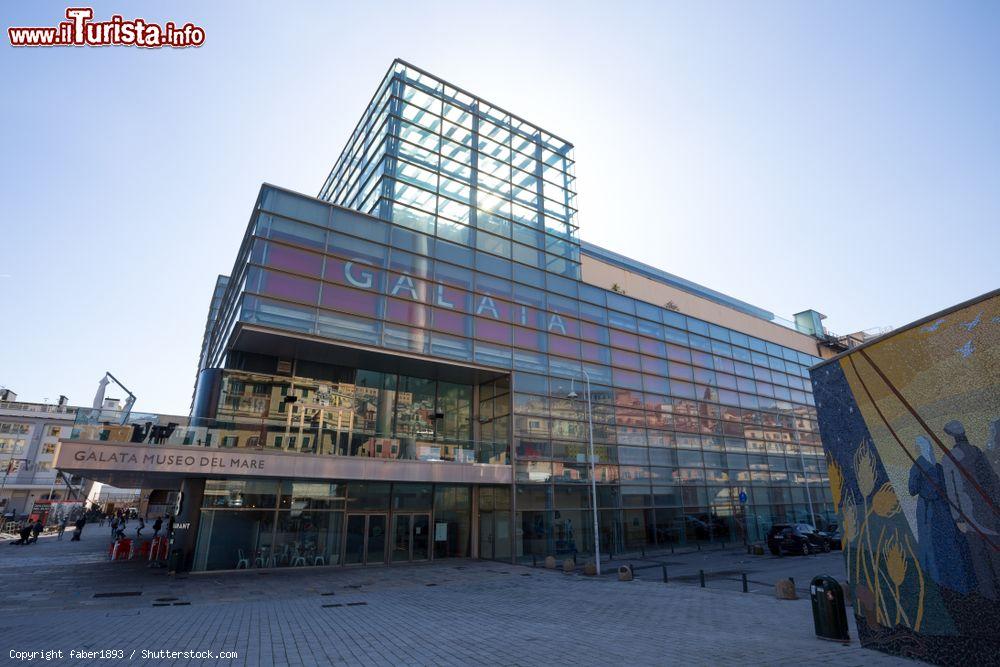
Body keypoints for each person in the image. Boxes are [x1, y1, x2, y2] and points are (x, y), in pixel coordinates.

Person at [941, 420, 1000, 601]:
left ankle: (989, 593)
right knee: (994, 550)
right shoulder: (976, 452)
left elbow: (952, 491)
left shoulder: (949, 458)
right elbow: (991, 479)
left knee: (979, 556)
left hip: (968, 514)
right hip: (987, 510)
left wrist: (958, 518)